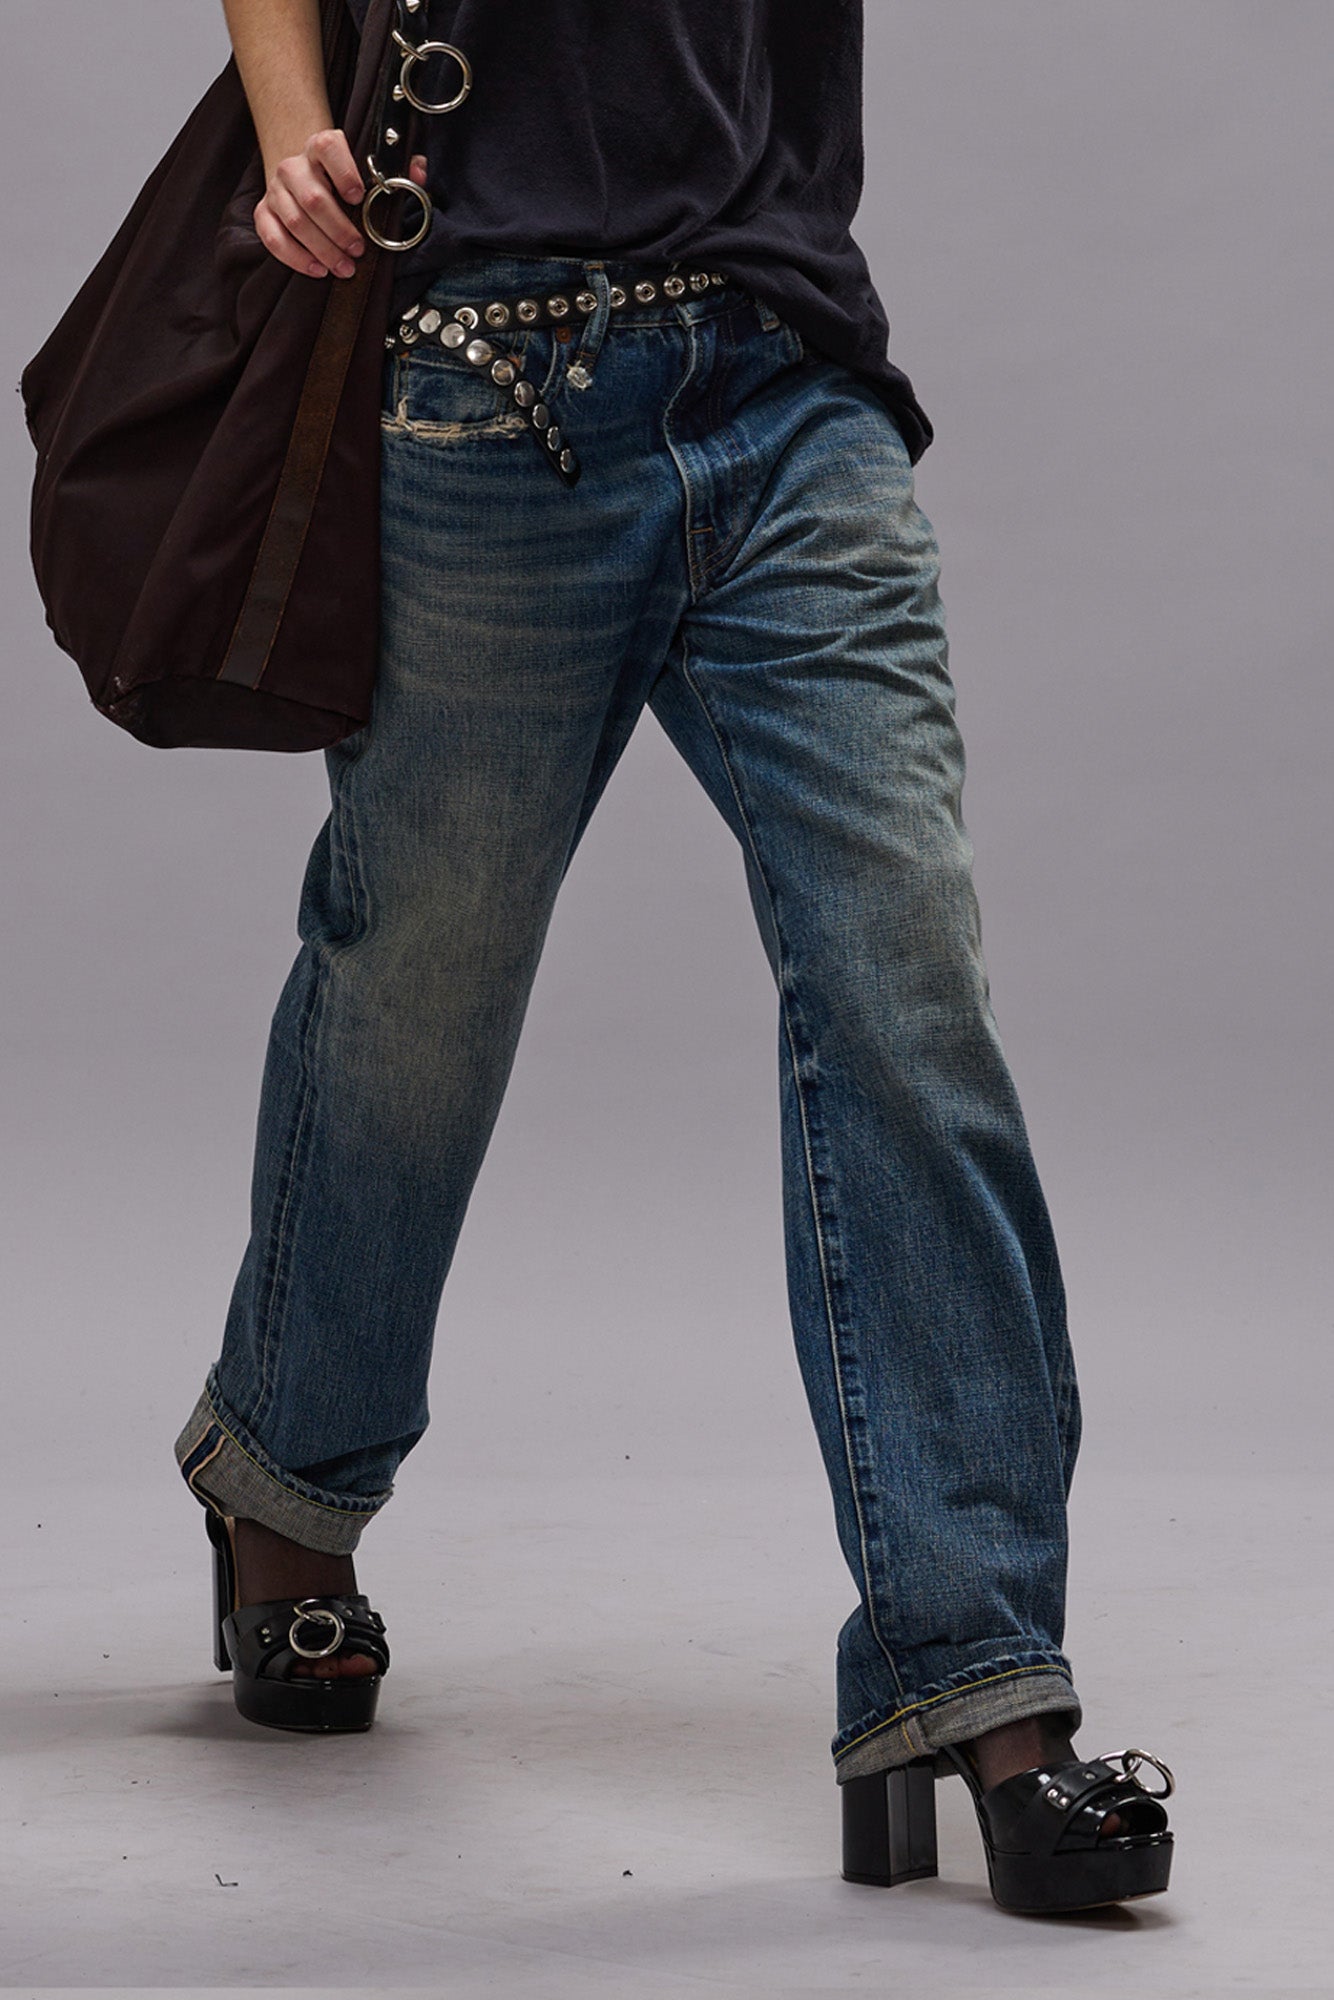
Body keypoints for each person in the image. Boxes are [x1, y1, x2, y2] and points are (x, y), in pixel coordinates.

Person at [173, 0, 1175, 1913]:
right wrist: (293, 125)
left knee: (906, 983)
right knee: (419, 993)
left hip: (784, 375)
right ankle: (285, 1481)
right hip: (489, 382)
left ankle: (972, 1669)